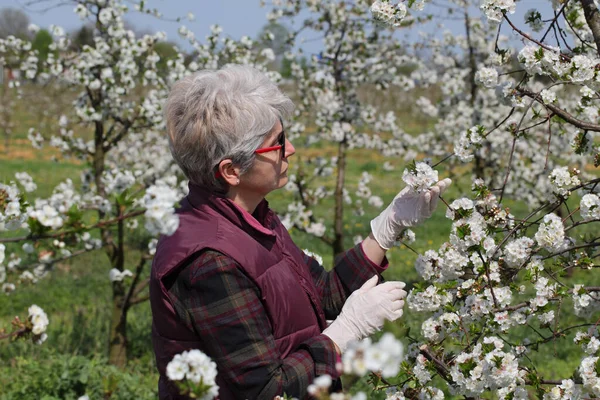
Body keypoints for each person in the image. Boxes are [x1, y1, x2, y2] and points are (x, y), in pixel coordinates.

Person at [150, 65, 451, 400]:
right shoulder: (209, 261)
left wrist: (386, 228)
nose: (290, 148)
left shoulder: (254, 221)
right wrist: (343, 334)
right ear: (232, 170)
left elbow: (323, 294)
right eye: (277, 143)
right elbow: (266, 389)